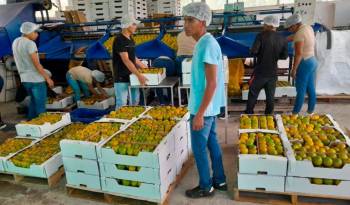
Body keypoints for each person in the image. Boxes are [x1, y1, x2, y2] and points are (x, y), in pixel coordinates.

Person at [182, 2, 227, 198]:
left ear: (202, 22)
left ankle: (206, 186)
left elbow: (212, 84)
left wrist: (199, 114)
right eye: (184, 20)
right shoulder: (203, 43)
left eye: (190, 20)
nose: (186, 24)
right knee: (212, 144)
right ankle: (220, 179)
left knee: (199, 150)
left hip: (203, 110)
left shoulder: (207, 44)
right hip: (208, 107)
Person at [245, 15, 288, 114]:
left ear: (269, 24)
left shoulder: (261, 36)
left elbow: (254, 51)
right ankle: (269, 115)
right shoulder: (282, 39)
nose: (263, 26)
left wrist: (251, 50)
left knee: (253, 94)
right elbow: (284, 56)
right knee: (270, 96)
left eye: (264, 24)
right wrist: (274, 56)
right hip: (272, 73)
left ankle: (249, 113)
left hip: (260, 72)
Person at [12, 22, 54, 119]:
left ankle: (30, 124)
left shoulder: (15, 42)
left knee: (33, 103)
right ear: (28, 32)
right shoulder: (31, 44)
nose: (37, 34)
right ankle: (44, 129)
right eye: (35, 32)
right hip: (36, 80)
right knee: (40, 107)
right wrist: (48, 78)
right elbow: (37, 65)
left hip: (25, 79)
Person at [112, 15, 148, 108]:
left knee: (135, 101)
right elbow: (126, 60)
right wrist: (139, 75)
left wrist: (145, 67)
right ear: (127, 25)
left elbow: (133, 57)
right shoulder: (119, 40)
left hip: (132, 75)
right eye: (134, 24)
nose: (136, 26)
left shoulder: (131, 39)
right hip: (121, 76)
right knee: (122, 104)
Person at [285, 14, 318, 114]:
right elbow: (297, 37)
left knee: (301, 89)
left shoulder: (299, 34)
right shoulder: (308, 28)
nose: (289, 30)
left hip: (304, 62)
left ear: (294, 25)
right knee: (311, 88)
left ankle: (295, 113)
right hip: (312, 60)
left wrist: (294, 69)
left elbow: (298, 54)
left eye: (290, 28)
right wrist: (285, 39)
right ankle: (310, 112)